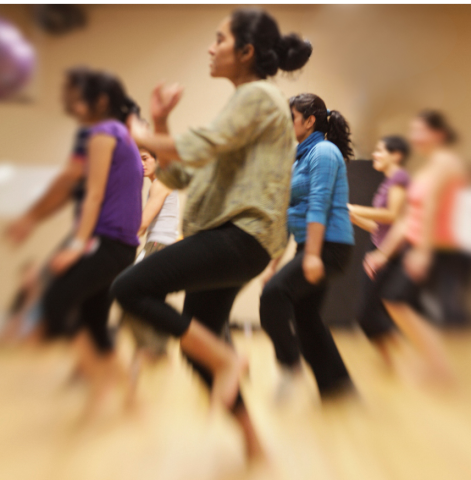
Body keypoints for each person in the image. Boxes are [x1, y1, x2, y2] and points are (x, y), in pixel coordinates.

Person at [111, 7, 312, 458]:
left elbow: (199, 144)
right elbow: (180, 177)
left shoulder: (258, 97)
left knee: (129, 287)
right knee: (195, 348)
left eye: (218, 39)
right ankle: (252, 440)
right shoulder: (242, 109)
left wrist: (140, 130)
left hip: (238, 238)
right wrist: (160, 125)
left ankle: (226, 358)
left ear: (246, 51)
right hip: (231, 241)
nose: (210, 47)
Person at [259, 93, 355, 399]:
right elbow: (289, 214)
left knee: (273, 296)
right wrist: (274, 263)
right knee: (306, 317)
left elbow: (319, 205)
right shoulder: (299, 158)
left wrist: (313, 256)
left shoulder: (324, 153)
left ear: (309, 121)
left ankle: (290, 365)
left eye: (291, 118)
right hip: (312, 247)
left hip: (329, 247)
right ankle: (337, 386)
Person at [364, 110, 468, 380]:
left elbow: (433, 207)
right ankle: (436, 365)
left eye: (421, 130)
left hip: (438, 249)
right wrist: (382, 254)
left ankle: (437, 367)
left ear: (439, 134)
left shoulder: (447, 163)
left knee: (397, 300)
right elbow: (407, 219)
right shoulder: (426, 169)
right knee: (395, 301)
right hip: (417, 245)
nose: (415, 137)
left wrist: (423, 252)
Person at [348, 136, 410, 363]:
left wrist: (355, 208)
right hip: (378, 247)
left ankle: (404, 356)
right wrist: (354, 217)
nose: (375, 154)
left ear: (396, 155)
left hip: (390, 253)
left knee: (369, 312)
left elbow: (393, 216)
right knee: (368, 313)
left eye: (380, 150)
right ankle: (390, 360)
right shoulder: (387, 182)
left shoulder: (399, 178)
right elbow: (379, 226)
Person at [123, 147, 179, 366]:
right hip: (161, 246)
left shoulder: (160, 183)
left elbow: (143, 223)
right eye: (138, 159)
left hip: (158, 246)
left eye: (145, 158)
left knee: (124, 292)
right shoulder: (161, 182)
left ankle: (151, 346)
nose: (141, 163)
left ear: (158, 160)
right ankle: (157, 349)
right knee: (150, 300)